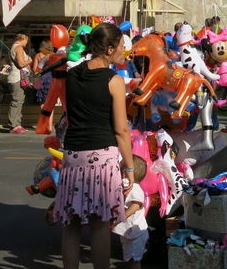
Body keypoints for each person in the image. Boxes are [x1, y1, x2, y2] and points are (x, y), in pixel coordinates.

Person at [53, 22, 135, 269]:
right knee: (100, 224)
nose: (124, 51)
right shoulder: (114, 81)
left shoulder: (72, 75)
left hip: (73, 155)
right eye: (121, 46)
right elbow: (121, 130)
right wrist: (129, 167)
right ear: (109, 49)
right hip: (102, 156)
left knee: (72, 224)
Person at [111, 155, 148, 269]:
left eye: (121, 170)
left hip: (135, 233)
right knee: (129, 258)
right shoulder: (128, 188)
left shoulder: (135, 188)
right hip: (129, 232)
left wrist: (121, 216)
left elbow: (136, 205)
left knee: (134, 260)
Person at [6, 33, 32, 134]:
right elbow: (21, 64)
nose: (27, 42)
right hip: (17, 78)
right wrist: (29, 61)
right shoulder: (19, 48)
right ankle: (13, 125)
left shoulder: (12, 47)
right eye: (27, 40)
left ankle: (17, 124)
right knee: (17, 101)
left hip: (15, 77)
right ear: (23, 38)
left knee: (18, 101)